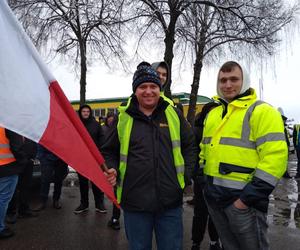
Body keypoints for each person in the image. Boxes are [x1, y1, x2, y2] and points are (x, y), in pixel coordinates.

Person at [102, 61, 196, 250]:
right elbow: (108, 150)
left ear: (159, 89)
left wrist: (185, 176)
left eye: (153, 86)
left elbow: (190, 146)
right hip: (134, 201)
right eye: (142, 87)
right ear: (135, 90)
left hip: (169, 201)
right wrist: (111, 167)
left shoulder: (173, 114)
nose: (148, 91)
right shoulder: (123, 117)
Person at [200, 61, 288, 250]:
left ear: (244, 80)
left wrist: (245, 201)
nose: (228, 85)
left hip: (244, 203)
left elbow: (275, 158)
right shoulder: (213, 114)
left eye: (234, 79)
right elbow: (204, 152)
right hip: (215, 200)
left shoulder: (261, 111)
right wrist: (204, 184)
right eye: (223, 80)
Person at [192, 102, 221, 250]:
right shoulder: (197, 130)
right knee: (200, 213)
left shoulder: (221, 129)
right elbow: (192, 154)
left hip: (218, 179)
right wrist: (197, 174)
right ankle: (195, 242)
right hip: (201, 178)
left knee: (215, 213)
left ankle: (214, 241)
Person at [74, 105, 107, 214]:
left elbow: (102, 139)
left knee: (96, 182)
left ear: (90, 113)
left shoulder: (96, 125)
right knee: (83, 183)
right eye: (83, 111)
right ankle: (84, 204)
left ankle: (99, 204)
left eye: (88, 111)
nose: (86, 113)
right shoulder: (76, 125)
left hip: (94, 159)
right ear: (80, 112)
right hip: (80, 158)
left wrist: (100, 154)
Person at [0, 127, 27, 239]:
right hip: (7, 168)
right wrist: (23, 162)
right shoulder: (9, 123)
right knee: (3, 199)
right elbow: (17, 147)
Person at [6, 138, 38, 224]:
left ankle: (24, 210)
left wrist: (32, 157)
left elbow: (34, 142)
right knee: (13, 188)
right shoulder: (12, 128)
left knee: (26, 187)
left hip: (28, 162)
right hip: (14, 162)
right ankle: (10, 213)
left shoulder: (28, 128)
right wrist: (23, 159)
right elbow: (14, 146)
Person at [34, 145, 69, 210]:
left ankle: (56, 200)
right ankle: (43, 201)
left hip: (61, 158)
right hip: (46, 158)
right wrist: (41, 157)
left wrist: (66, 156)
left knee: (59, 180)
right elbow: (40, 141)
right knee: (45, 180)